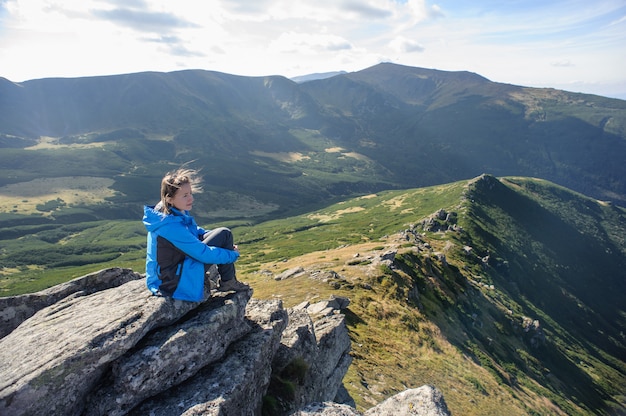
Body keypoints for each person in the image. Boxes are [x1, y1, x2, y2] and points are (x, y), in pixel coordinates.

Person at [142, 168, 248, 301]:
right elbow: (202, 253)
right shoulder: (169, 226)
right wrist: (232, 255)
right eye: (185, 195)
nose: (191, 198)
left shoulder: (170, 210)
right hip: (171, 282)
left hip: (175, 267)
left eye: (190, 193)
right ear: (169, 198)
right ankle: (228, 281)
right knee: (222, 238)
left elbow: (193, 231)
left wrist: (216, 239)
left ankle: (228, 281)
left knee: (224, 234)